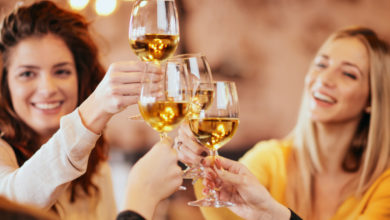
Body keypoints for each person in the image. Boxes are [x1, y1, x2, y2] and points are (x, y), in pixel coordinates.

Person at [176, 26, 390, 220]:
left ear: (373, 98)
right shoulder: (271, 159)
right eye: (321, 64)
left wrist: (272, 214)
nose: (324, 79)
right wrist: (203, 163)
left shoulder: (383, 184)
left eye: (348, 74)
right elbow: (227, 215)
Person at [0, 1, 182, 219]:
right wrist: (140, 195)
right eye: (27, 74)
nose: (47, 89)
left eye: (62, 71)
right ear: (5, 85)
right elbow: (11, 204)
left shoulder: (95, 165)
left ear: (81, 79)